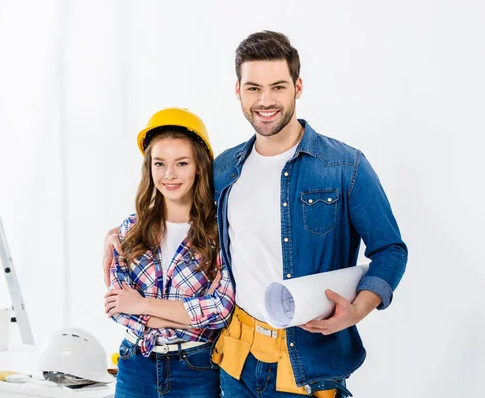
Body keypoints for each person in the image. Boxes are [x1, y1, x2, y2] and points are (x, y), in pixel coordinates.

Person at [103, 31, 407, 398]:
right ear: (238, 91)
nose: (265, 101)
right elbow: (178, 209)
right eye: (253, 88)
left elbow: (390, 249)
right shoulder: (224, 169)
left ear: (298, 87)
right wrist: (117, 233)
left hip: (305, 364)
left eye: (277, 87)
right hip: (235, 363)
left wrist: (358, 309)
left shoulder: (345, 166)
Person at [103, 107, 235, 398]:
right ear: (149, 167)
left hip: (196, 369)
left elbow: (221, 310)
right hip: (135, 366)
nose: (169, 175)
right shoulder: (129, 229)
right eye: (160, 164)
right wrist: (187, 315)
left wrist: (141, 304)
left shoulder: (220, 233)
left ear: (199, 166)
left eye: (182, 163)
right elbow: (118, 308)